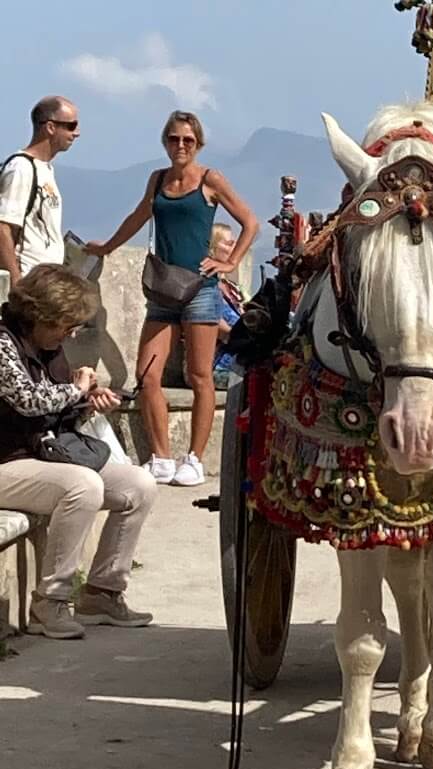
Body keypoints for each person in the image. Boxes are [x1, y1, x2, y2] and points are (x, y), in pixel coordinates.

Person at [86, 111, 259, 486]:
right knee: (148, 374)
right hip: (163, 288)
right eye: (174, 139)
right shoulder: (158, 180)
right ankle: (161, 457)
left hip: (200, 289)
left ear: (198, 145)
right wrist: (108, 247)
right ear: (165, 142)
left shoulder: (210, 180)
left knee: (199, 375)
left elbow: (250, 221)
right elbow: (139, 215)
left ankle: (194, 459)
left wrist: (229, 262)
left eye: (188, 140)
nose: (181, 146)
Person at [0, 264, 157, 639]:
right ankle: (50, 601)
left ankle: (103, 592)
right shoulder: (3, 343)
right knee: (83, 486)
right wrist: (76, 389)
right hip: (8, 461)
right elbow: (27, 399)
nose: (71, 333)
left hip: (42, 453)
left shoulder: (49, 345)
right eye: (65, 324)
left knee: (139, 485)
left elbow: (55, 407)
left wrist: (88, 399)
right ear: (41, 315)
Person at [0, 96, 80, 286]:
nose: (76, 133)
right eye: (71, 126)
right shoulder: (21, 168)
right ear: (51, 127)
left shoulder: (45, 169)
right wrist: (15, 279)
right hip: (28, 279)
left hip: (47, 282)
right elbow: (4, 227)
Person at [210, 223, 245, 390]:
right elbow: (217, 326)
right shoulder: (204, 287)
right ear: (211, 248)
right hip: (217, 366)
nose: (234, 248)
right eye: (228, 243)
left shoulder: (231, 288)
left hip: (237, 360)